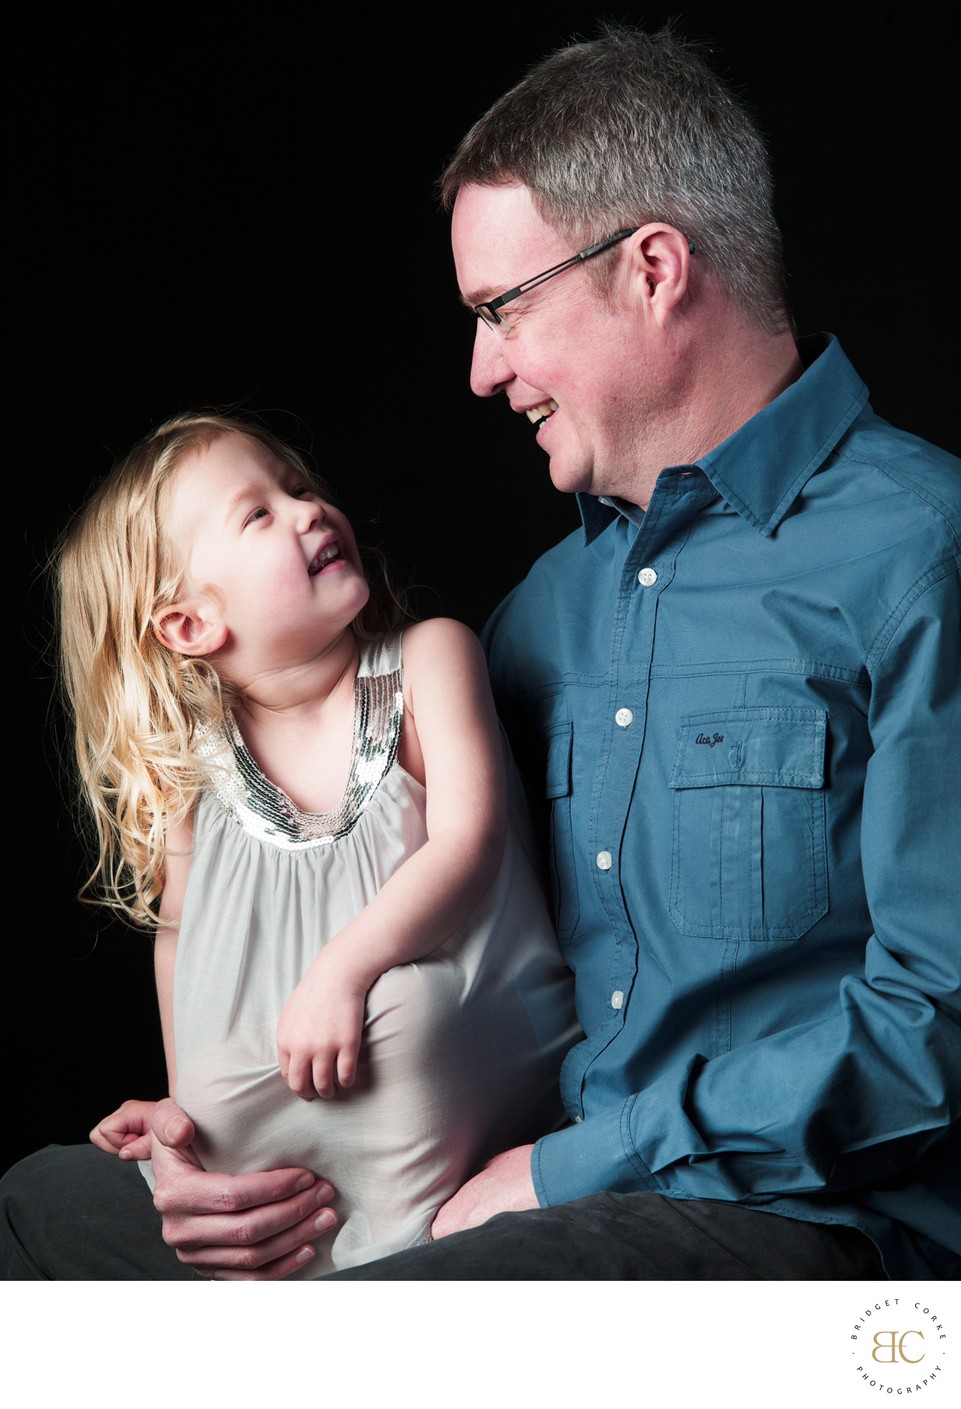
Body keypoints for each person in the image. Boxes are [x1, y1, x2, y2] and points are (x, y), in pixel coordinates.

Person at [325, 21, 961, 1279]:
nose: (478, 369)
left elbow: (936, 1028)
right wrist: (238, 1137)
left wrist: (574, 1163)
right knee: (53, 1210)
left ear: (654, 267)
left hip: (836, 1235)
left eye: (499, 309)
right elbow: (449, 972)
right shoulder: (535, 622)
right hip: (553, 1216)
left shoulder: (923, 555)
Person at [0, 411, 577, 1278]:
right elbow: (179, 934)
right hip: (304, 1078)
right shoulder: (196, 767)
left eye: (298, 487)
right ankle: (296, 1245)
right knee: (210, 1092)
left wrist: (342, 972)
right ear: (190, 625)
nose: (306, 510)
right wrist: (180, 1107)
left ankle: (399, 1249)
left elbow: (470, 843)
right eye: (258, 513)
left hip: (456, 1034)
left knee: (404, 1021)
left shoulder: (427, 659)